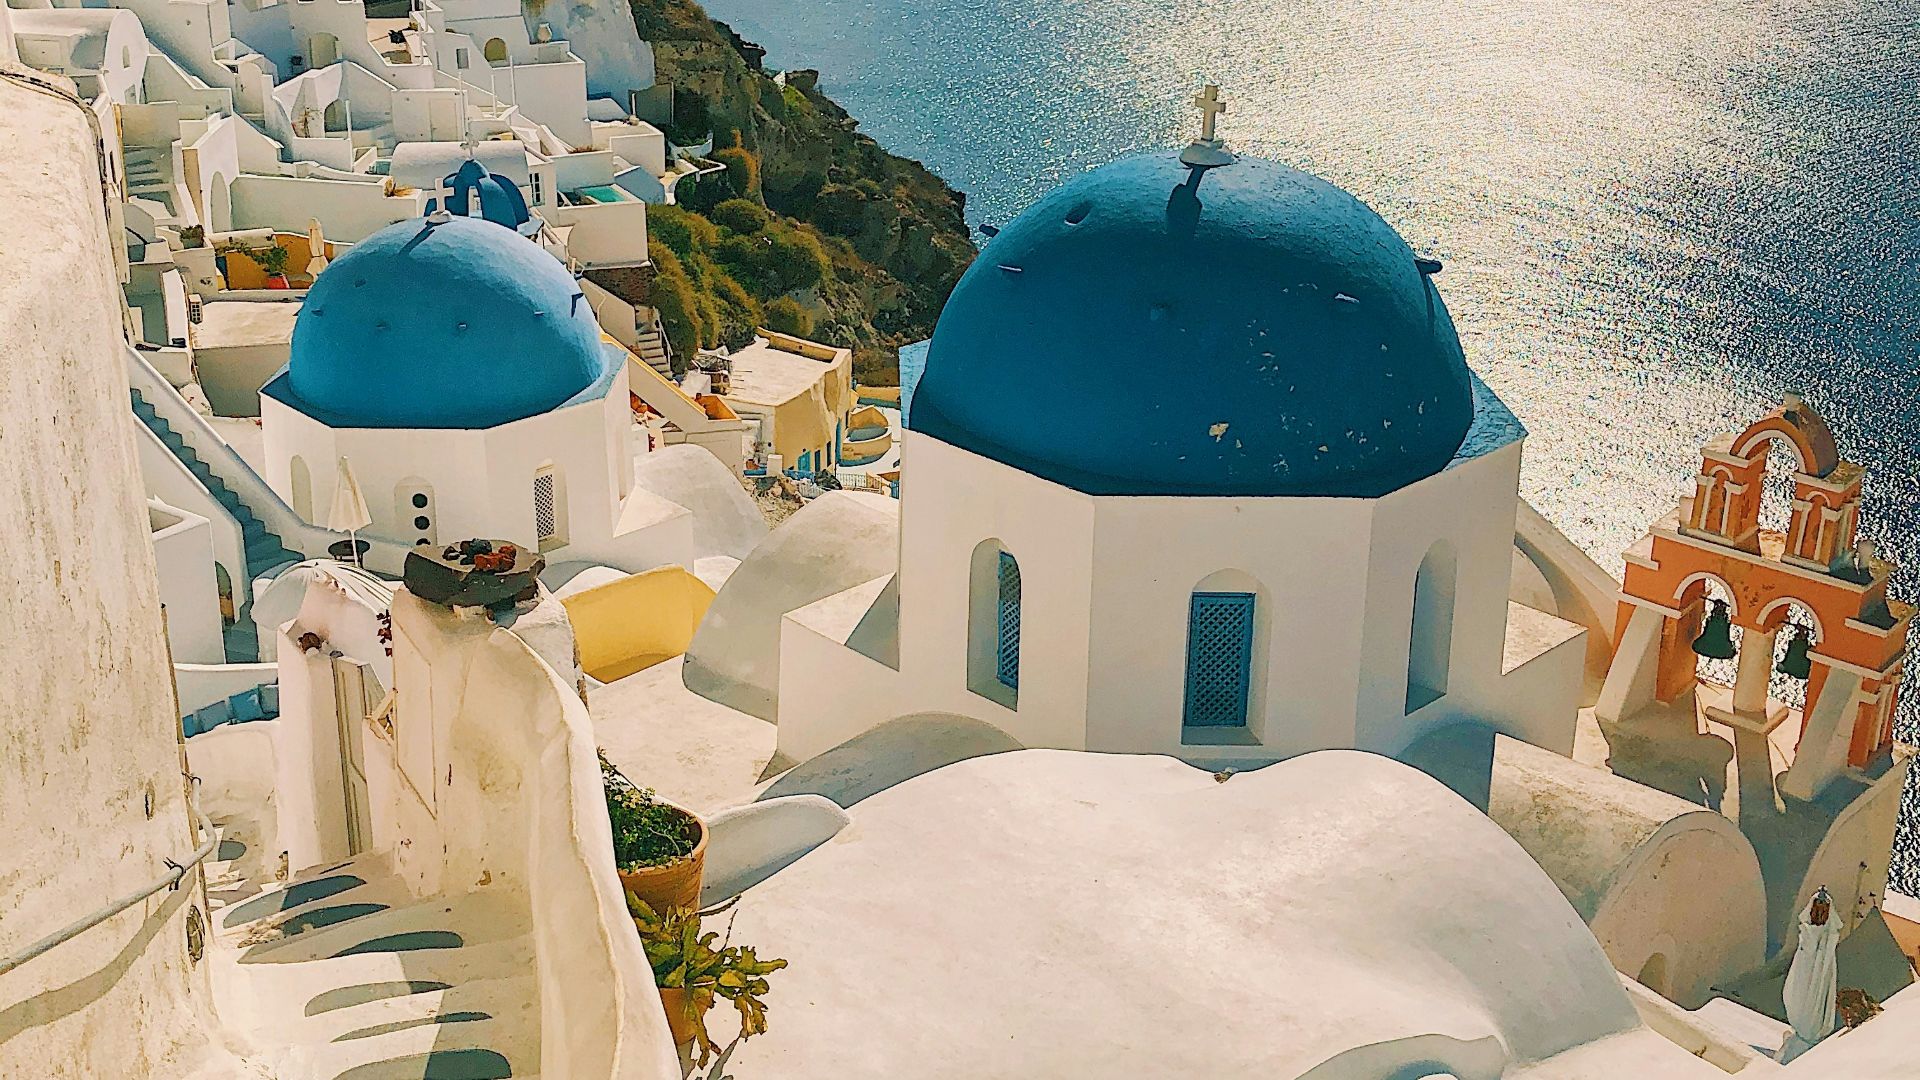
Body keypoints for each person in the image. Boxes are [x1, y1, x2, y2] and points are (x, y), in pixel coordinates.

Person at [1777, 886, 1841, 1064]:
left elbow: (1826, 959)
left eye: (1823, 906)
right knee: (1800, 996)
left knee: (1816, 999)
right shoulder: (1807, 932)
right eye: (1817, 905)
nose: (1819, 911)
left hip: (1819, 971)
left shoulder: (1829, 936)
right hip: (1805, 970)